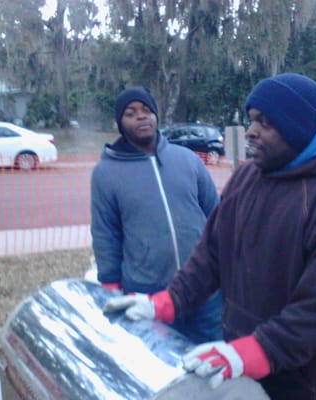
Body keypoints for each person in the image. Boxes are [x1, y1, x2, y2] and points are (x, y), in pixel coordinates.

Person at [105, 73, 316, 400]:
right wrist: (167, 302)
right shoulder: (248, 177)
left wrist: (253, 351)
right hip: (255, 369)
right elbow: (211, 254)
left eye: (265, 123)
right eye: (251, 119)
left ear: (299, 129)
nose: (251, 131)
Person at [91, 86, 222, 343]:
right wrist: (109, 285)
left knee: (210, 362)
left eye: (147, 110)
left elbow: (217, 216)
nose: (142, 117)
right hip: (146, 293)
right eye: (131, 113)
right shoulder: (105, 173)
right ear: (120, 122)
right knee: (163, 372)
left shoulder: (187, 159)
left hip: (202, 287)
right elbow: (105, 233)